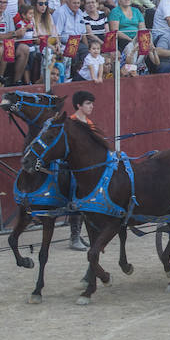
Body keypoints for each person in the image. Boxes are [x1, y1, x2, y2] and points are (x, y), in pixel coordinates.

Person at [67, 90, 96, 250]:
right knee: (76, 196)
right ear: (79, 105)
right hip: (73, 169)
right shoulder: (71, 122)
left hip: (86, 168)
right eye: (88, 103)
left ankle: (78, 235)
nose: (91, 106)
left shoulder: (89, 123)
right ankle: (74, 237)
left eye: (92, 103)